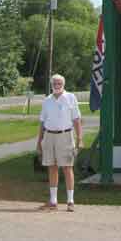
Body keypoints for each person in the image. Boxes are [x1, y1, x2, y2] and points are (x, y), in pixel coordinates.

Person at [36, 74, 83, 211]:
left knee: (67, 167)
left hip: (65, 135)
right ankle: (53, 200)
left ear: (64, 84)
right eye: (55, 83)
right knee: (52, 167)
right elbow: (42, 122)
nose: (57, 85)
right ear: (51, 85)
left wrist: (80, 138)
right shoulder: (47, 100)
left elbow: (76, 119)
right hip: (49, 136)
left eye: (59, 83)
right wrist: (39, 141)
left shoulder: (71, 97)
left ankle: (70, 201)